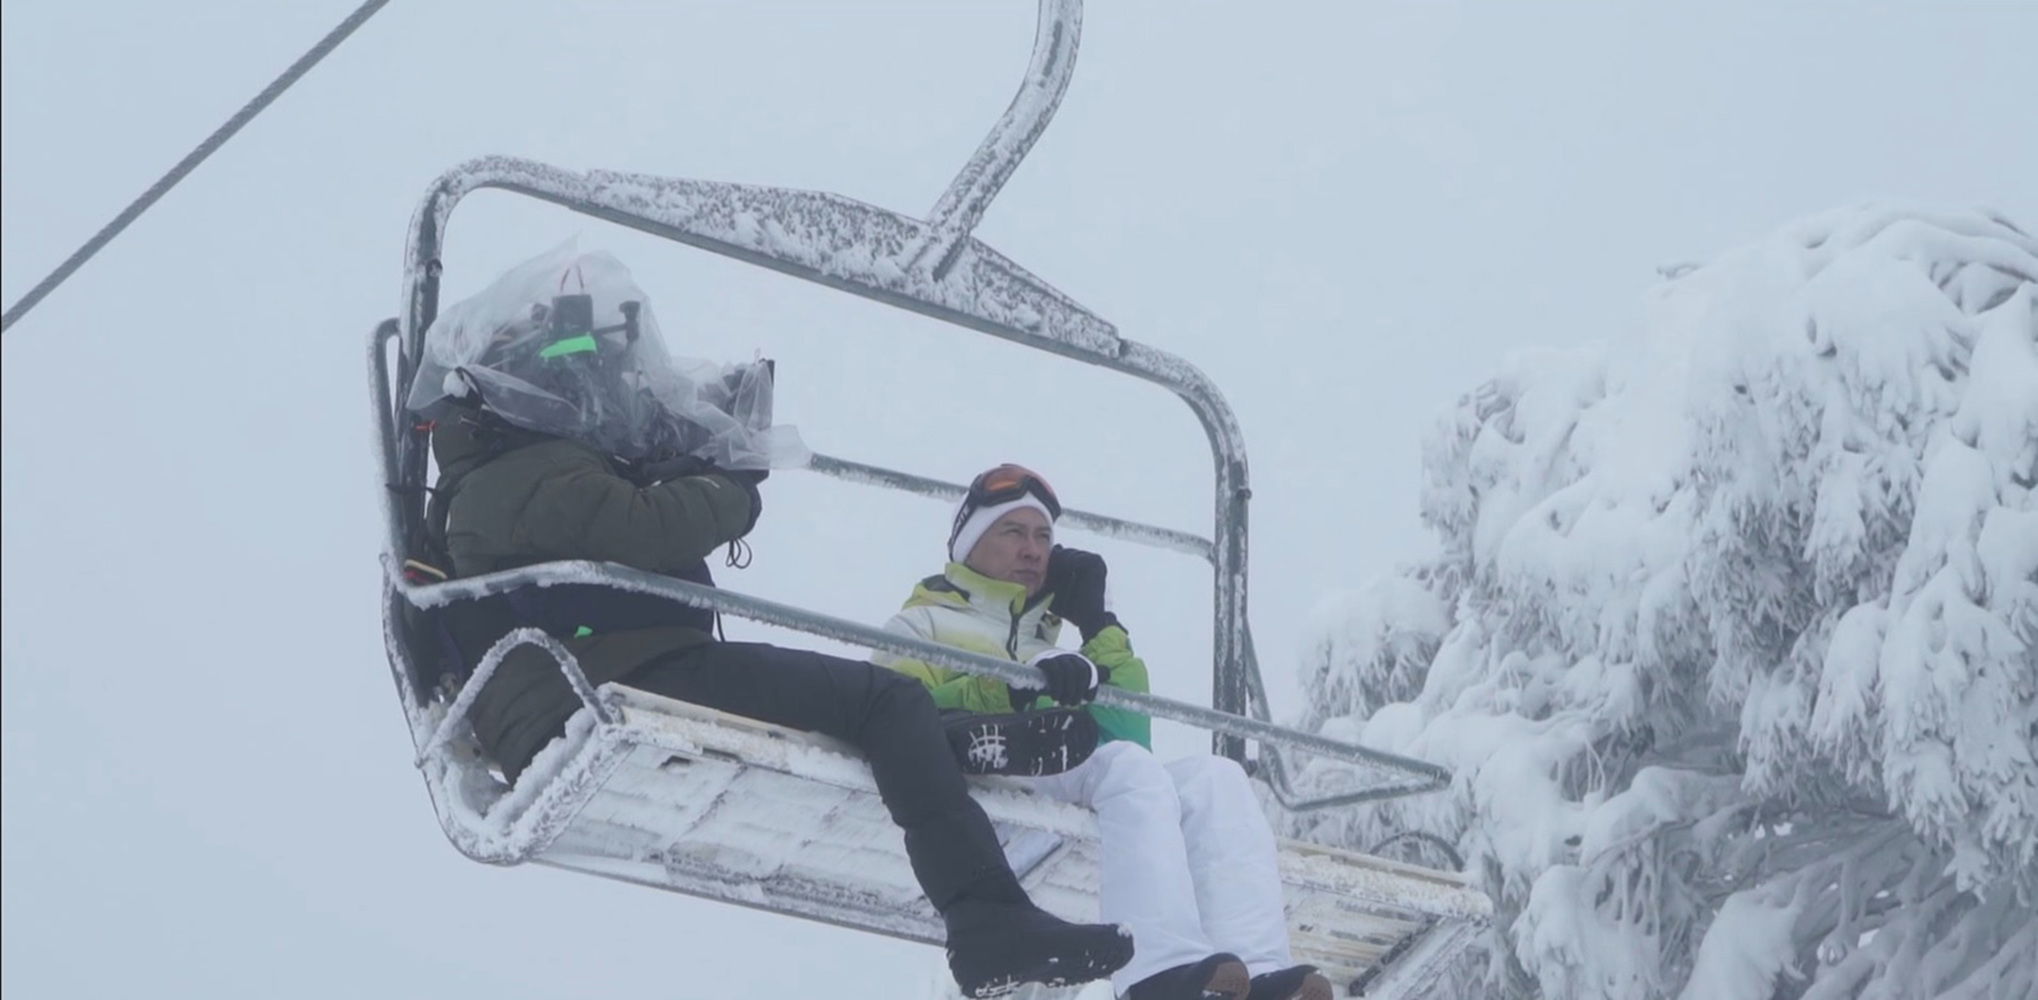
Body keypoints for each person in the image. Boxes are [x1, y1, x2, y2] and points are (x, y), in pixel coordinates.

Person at [403, 250, 1131, 999]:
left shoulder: (504, 468)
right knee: (887, 699)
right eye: (583, 379)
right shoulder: (510, 474)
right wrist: (733, 476)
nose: (595, 398)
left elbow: (614, 506)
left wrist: (691, 435)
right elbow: (650, 525)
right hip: (598, 682)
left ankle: (947, 751)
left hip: (608, 670)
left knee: (877, 713)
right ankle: (986, 921)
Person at [873, 464, 1334, 1000]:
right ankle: (1155, 971)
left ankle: (1255, 975)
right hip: (981, 778)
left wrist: (1099, 625)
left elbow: (1128, 734)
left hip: (1062, 770)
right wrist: (1006, 689)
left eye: (1043, 536)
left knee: (1216, 778)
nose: (1032, 549)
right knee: (1128, 770)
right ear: (970, 544)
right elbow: (892, 714)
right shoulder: (923, 622)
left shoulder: (1053, 641)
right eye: (1013, 532)